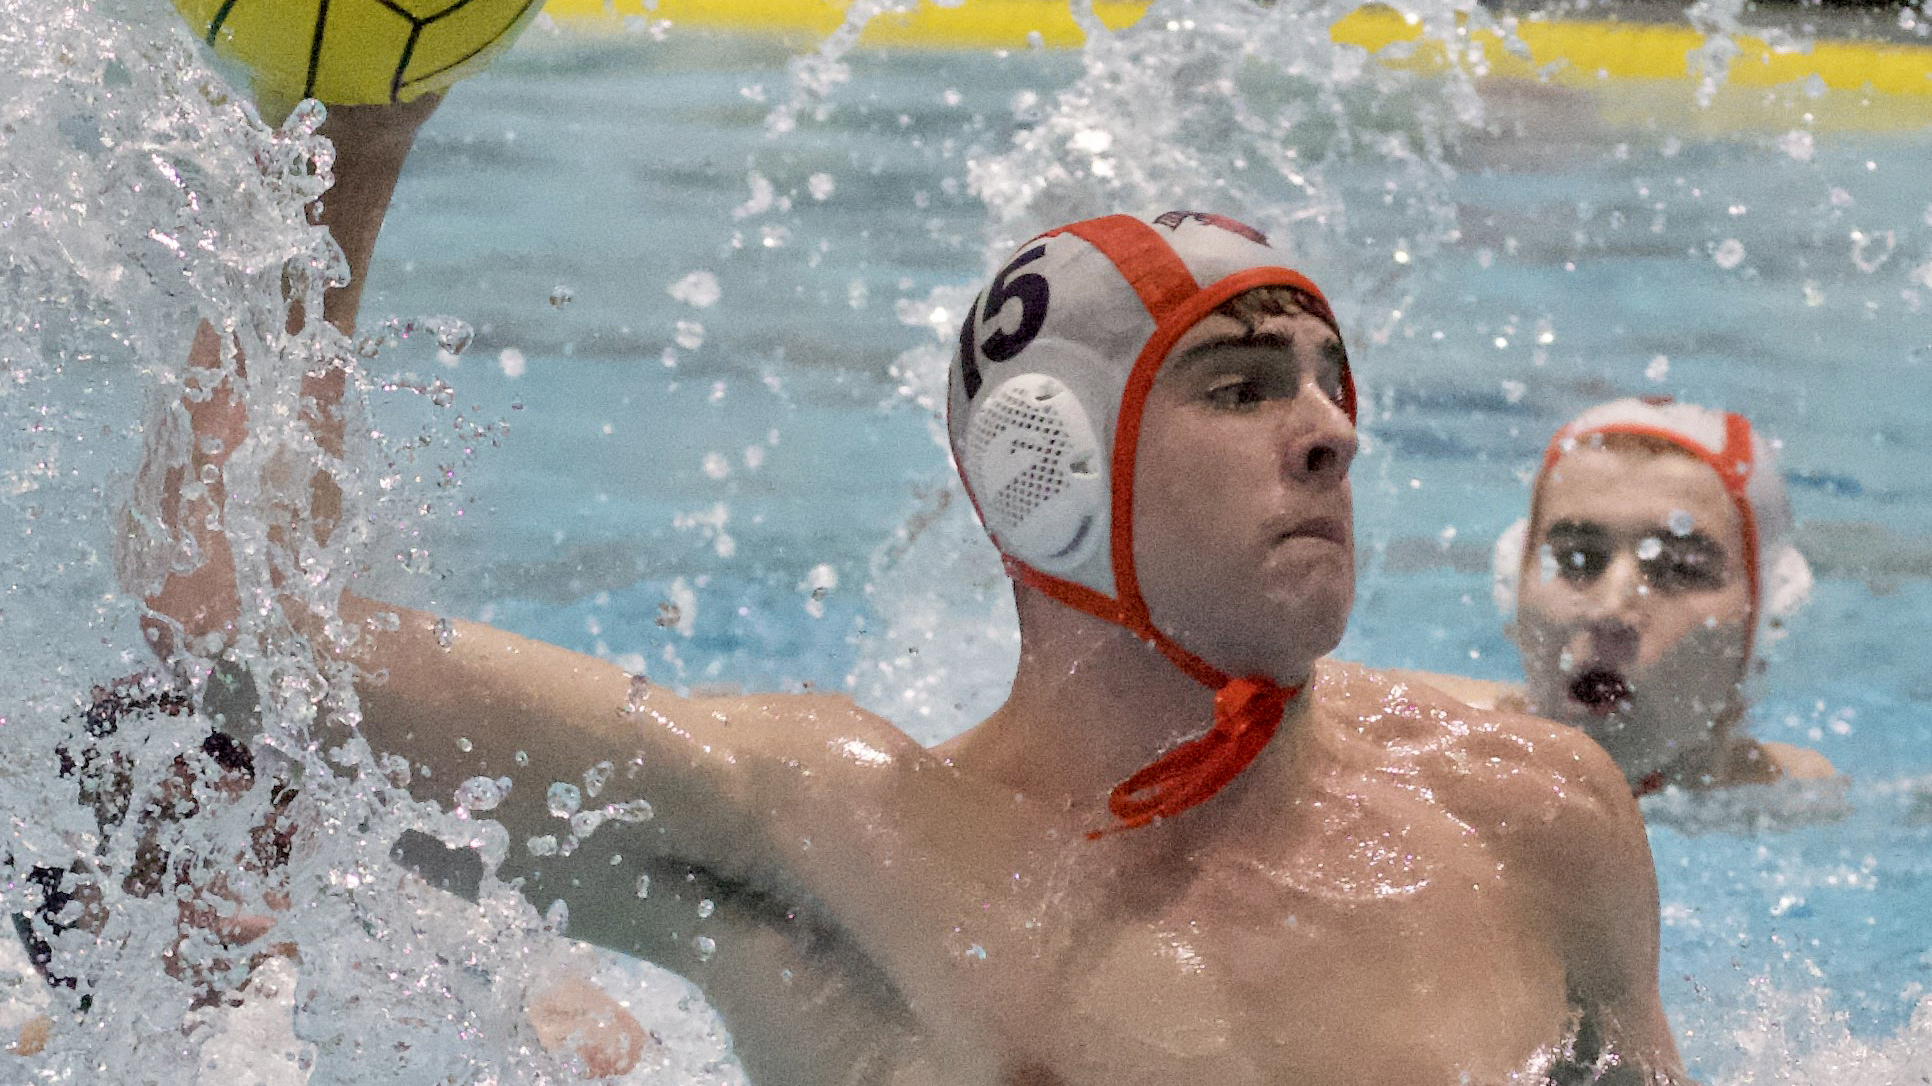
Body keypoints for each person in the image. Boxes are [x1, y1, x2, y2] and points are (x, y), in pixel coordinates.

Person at [138, 83, 1692, 1078]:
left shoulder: (1527, 817)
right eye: (1238, 387)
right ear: (1051, 471)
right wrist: (347, 142)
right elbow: (240, 634)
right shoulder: (839, 845)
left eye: (1328, 382)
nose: (1331, 432)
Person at [1397, 397, 1834, 796]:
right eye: (1578, 560)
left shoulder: (1801, 804)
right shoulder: (1402, 746)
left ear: (1764, 619)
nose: (1610, 610)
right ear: (1512, 583)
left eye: (1678, 569)